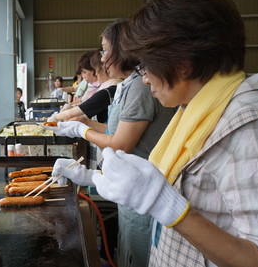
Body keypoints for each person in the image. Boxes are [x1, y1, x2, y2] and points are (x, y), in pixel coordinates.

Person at [55, 0, 258, 266]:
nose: (145, 79)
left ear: (183, 65)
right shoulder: (196, 110)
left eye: (146, 65)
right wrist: (92, 177)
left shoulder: (251, 127)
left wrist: (168, 206)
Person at [46, 19, 176, 267]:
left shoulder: (139, 87)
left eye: (106, 49)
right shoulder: (128, 85)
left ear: (123, 49)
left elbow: (120, 144)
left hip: (143, 189)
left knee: (137, 258)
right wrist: (79, 127)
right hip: (128, 185)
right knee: (126, 251)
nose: (103, 58)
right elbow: (114, 130)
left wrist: (81, 130)